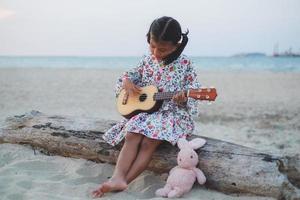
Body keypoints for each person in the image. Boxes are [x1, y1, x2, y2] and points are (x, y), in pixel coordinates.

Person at [92, 16, 201, 198]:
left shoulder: (185, 64)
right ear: (148, 38)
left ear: (177, 45)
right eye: (152, 46)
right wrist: (127, 82)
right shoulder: (147, 59)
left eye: (163, 49)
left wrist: (183, 99)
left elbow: (194, 92)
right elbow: (130, 75)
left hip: (170, 113)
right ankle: (117, 177)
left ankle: (124, 182)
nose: (156, 52)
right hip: (147, 112)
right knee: (132, 134)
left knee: (148, 142)